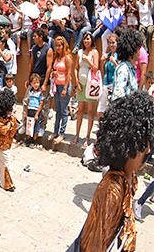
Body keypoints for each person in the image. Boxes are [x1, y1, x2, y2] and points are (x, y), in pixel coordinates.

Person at [74, 92, 154, 251]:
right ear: (125, 145)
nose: (149, 150)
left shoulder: (129, 176)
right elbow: (95, 246)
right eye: (142, 146)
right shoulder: (112, 191)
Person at [72, 32, 99, 148]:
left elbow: (96, 67)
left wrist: (88, 60)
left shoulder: (94, 52)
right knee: (80, 110)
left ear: (92, 40)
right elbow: (75, 68)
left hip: (90, 85)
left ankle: (87, 137)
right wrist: (77, 82)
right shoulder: (80, 52)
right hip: (81, 85)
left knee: (90, 111)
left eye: (88, 39)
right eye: (84, 39)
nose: (86, 41)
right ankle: (77, 134)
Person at [27, 29, 53, 136]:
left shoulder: (48, 49)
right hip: (33, 79)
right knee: (27, 102)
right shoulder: (34, 48)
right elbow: (31, 64)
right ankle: (27, 125)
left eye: (35, 36)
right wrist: (28, 79)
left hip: (42, 80)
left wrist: (45, 83)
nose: (33, 38)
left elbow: (49, 67)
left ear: (41, 37)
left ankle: (42, 126)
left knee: (43, 105)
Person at [48, 36, 73, 145]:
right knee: (57, 110)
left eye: (59, 46)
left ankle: (62, 133)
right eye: (56, 45)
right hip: (56, 85)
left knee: (63, 111)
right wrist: (53, 73)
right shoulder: (56, 57)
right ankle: (55, 131)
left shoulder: (67, 58)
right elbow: (55, 69)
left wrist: (66, 88)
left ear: (64, 46)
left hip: (64, 86)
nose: (57, 48)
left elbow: (69, 73)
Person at [111, 29, 142, 101]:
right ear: (131, 50)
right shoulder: (124, 69)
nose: (140, 51)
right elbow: (118, 98)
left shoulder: (131, 68)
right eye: (138, 48)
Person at [97, 33, 118, 115]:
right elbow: (103, 71)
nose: (111, 45)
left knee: (112, 111)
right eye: (110, 43)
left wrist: (115, 62)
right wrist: (102, 62)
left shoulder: (119, 55)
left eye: (113, 42)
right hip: (105, 85)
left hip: (114, 85)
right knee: (100, 111)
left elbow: (122, 71)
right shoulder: (108, 55)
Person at [22, 74, 43, 146]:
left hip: (36, 111)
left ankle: (34, 141)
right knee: (29, 125)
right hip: (30, 110)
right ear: (31, 83)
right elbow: (27, 102)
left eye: (37, 83)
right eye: (34, 83)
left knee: (36, 126)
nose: (36, 84)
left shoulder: (40, 93)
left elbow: (41, 104)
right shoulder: (30, 92)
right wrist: (26, 112)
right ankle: (28, 139)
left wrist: (37, 114)